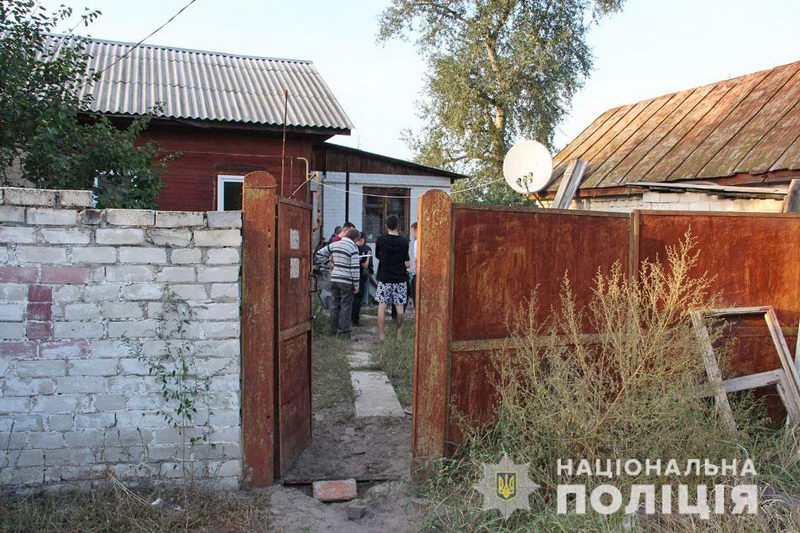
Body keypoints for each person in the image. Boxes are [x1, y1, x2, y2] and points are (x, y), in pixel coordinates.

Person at [316, 227, 361, 338]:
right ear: (355, 239)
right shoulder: (353, 248)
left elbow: (319, 254)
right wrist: (356, 285)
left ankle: (332, 331)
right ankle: (344, 332)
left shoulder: (335, 244)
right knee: (346, 306)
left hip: (334, 278)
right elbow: (355, 268)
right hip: (346, 281)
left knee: (334, 305)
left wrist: (329, 263)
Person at [375, 215, 410, 341]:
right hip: (400, 279)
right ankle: (399, 336)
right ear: (398, 226)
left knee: (382, 307)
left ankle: (381, 336)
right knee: (400, 308)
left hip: (384, 278)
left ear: (386, 226)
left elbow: (378, 255)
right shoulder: (404, 241)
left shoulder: (380, 239)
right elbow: (407, 261)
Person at [351, 232, 373, 326]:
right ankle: (354, 320)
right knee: (357, 299)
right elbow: (365, 265)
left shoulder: (352, 247)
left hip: (351, 276)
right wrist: (368, 256)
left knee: (352, 299)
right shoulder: (362, 249)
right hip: (359, 276)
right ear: (362, 239)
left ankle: (349, 319)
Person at [408, 222, 418, 311]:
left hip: (417, 274)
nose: (411, 234)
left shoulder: (417, 242)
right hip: (415, 273)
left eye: (412, 231)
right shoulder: (416, 242)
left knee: (416, 297)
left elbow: (417, 259)